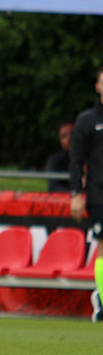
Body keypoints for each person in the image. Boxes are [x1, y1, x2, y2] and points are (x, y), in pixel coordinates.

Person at [69, 65, 103, 322]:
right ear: (98, 86)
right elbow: (76, 159)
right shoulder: (87, 120)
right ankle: (102, 298)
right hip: (99, 193)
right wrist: (76, 194)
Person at [45, 121, 74, 193]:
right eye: (64, 136)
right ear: (60, 140)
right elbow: (53, 187)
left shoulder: (93, 157)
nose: (69, 138)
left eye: (72, 133)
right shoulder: (55, 160)